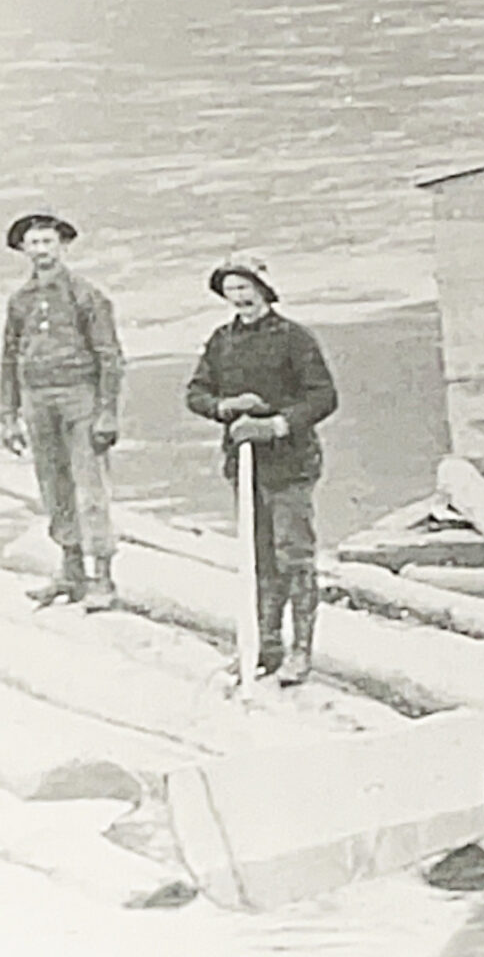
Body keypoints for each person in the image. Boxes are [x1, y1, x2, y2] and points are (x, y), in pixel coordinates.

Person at [185, 255, 338, 682]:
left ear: (265, 290)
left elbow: (323, 396)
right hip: (243, 463)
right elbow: (196, 392)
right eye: (232, 290)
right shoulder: (221, 341)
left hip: (290, 462)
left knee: (294, 555)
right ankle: (265, 647)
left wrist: (276, 424)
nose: (241, 297)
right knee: (258, 556)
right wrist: (223, 407)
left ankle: (301, 651)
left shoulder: (294, 338)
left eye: (247, 288)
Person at [0, 212, 122, 612]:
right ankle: (69, 572)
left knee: (91, 489)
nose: (41, 251)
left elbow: (110, 356)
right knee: (54, 486)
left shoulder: (87, 295)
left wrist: (107, 412)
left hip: (79, 396)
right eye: (33, 244)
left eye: (47, 242)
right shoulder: (20, 301)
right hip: (37, 399)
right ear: (22, 250)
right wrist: (8, 414)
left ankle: (102, 577)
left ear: (63, 246)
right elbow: (9, 358)